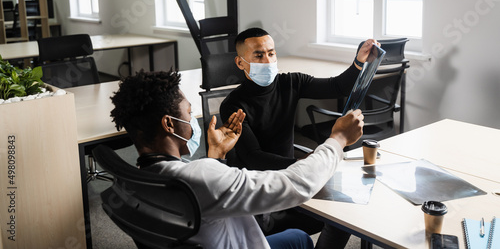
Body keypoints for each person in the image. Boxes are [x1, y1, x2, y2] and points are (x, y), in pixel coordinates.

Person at [110, 69, 364, 249]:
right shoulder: (197, 177)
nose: (192, 120)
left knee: (298, 237)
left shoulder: (130, 179)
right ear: (169, 124)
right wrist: (338, 139)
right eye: (188, 112)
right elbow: (295, 185)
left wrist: (216, 156)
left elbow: (206, 195)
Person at [219, 27, 379, 248]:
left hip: (294, 178)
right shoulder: (233, 105)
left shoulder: (291, 82)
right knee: (315, 222)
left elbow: (338, 86)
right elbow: (253, 157)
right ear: (240, 63)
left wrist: (358, 63)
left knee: (344, 214)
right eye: (258, 54)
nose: (267, 60)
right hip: (261, 190)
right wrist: (305, 166)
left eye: (271, 53)